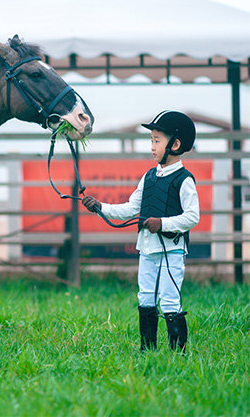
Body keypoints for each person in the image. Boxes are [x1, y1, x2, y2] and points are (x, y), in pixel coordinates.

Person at [82, 111, 199, 353]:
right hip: (147, 248)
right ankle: (148, 350)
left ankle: (178, 353)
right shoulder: (148, 177)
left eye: (157, 140)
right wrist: (101, 207)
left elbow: (192, 217)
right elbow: (131, 208)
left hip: (172, 250)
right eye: (152, 140)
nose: (152, 146)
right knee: (145, 299)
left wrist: (163, 224)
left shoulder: (184, 180)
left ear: (175, 145)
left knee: (169, 300)